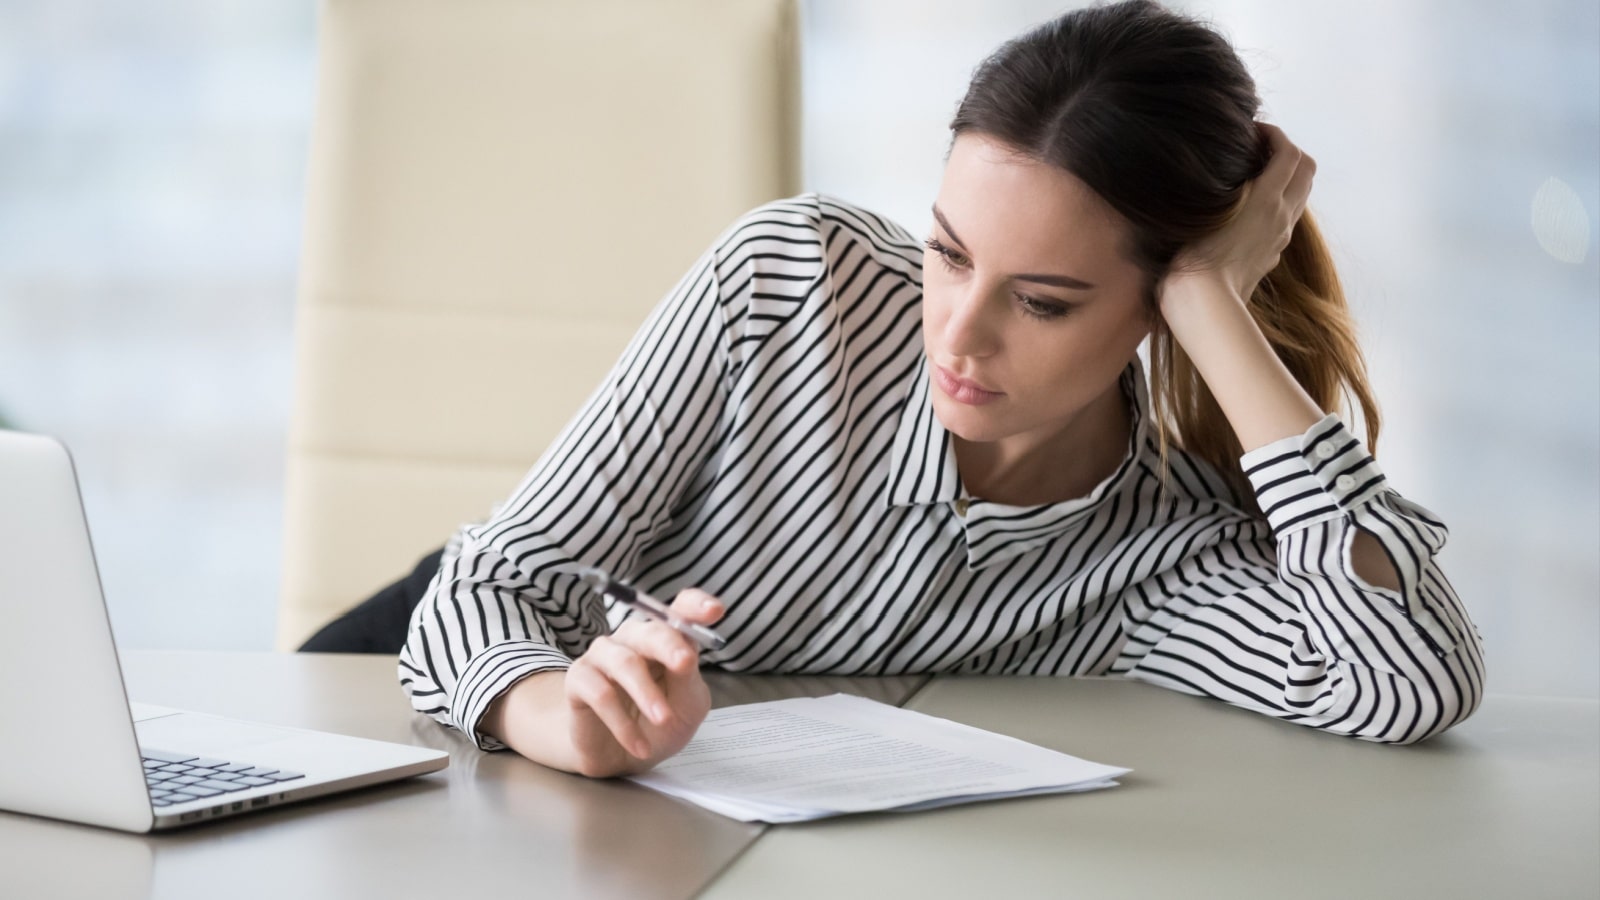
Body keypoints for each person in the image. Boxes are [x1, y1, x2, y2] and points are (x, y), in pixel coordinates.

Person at [398, 0, 1484, 777]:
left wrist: (1211, 303)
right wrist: (560, 718)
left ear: (1156, 307)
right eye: (948, 253)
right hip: (469, 708)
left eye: (1044, 302)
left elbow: (1404, 682)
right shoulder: (790, 282)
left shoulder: (1164, 555)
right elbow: (481, 591)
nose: (957, 335)